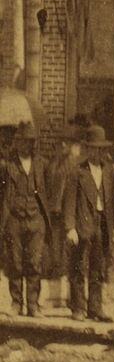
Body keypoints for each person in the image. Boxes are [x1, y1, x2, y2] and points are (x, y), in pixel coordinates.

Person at [63, 124, 114, 322]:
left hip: (102, 223)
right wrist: (70, 227)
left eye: (99, 148)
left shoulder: (109, 170)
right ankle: (78, 308)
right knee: (79, 266)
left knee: (98, 267)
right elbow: (69, 201)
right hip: (83, 222)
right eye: (92, 148)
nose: (96, 152)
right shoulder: (77, 171)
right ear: (86, 149)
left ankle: (95, 309)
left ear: (103, 150)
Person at [0, 122, 50, 317]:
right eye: (22, 142)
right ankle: (16, 302)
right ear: (16, 143)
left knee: (35, 261)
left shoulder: (41, 164)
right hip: (14, 219)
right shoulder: (7, 165)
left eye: (30, 142)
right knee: (15, 262)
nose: (26, 146)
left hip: (36, 219)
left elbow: (49, 189)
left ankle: (33, 304)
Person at [45, 120, 84, 281]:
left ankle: (61, 277)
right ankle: (59, 277)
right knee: (59, 248)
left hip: (63, 211)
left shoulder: (66, 163)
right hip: (60, 210)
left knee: (63, 247)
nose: (63, 145)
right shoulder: (61, 163)